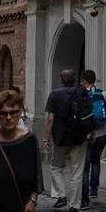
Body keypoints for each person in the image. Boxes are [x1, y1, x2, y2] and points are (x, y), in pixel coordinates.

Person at [44, 69, 89, 211]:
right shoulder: (82, 91)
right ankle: (74, 206)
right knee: (77, 172)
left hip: (60, 137)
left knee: (56, 167)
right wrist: (91, 132)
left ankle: (61, 195)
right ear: (75, 79)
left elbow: (50, 119)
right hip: (79, 137)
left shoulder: (54, 94)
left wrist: (46, 138)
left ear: (61, 79)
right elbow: (88, 114)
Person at [80, 70, 106, 210]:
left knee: (85, 167)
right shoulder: (102, 93)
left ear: (84, 81)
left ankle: (84, 200)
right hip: (102, 133)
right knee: (96, 160)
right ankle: (94, 189)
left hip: (87, 135)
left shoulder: (81, 95)